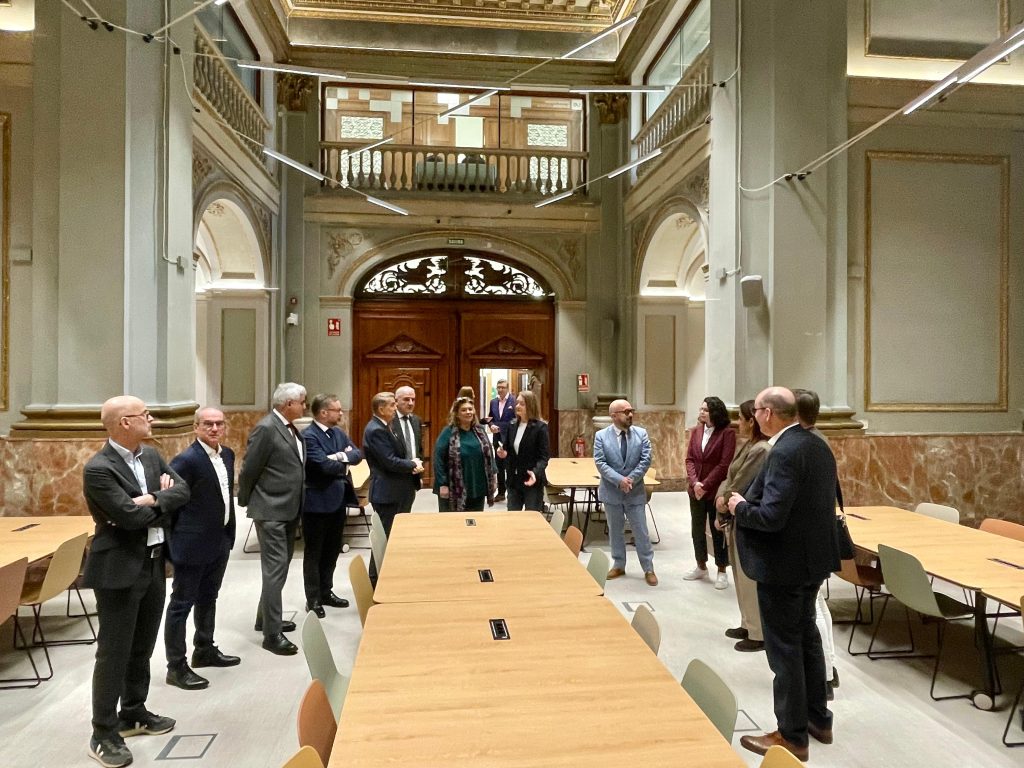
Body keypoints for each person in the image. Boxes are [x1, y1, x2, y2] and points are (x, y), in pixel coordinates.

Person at [726, 386, 840, 761]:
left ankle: (792, 735)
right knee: (806, 639)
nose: (754, 415)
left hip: (783, 566)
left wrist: (740, 506)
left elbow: (771, 518)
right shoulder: (817, 444)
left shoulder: (784, 452)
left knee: (784, 651)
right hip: (811, 563)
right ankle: (818, 719)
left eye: (757, 409)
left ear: (769, 413)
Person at [83, 396, 190, 768]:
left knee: (142, 646)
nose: (152, 419)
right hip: (118, 569)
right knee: (114, 652)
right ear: (123, 423)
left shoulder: (151, 456)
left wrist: (150, 499)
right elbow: (128, 518)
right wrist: (159, 502)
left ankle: (133, 711)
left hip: (154, 563)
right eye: (144, 415)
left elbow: (183, 491)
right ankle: (103, 731)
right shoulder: (99, 469)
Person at [164, 407, 240, 692]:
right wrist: (175, 543)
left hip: (219, 538)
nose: (214, 429)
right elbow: (171, 504)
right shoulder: (185, 461)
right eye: (207, 424)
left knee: (209, 596)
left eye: (219, 424)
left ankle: (205, 648)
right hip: (191, 543)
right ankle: (176, 666)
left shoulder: (228, 455)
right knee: (181, 604)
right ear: (195, 428)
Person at [237, 382, 307, 656]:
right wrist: (246, 500)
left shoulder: (289, 429)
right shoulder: (267, 428)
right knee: (275, 569)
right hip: (271, 510)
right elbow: (249, 468)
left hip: (288, 508)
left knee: (280, 566)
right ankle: (271, 634)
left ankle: (265, 618)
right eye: (302, 401)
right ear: (288, 404)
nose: (304, 405)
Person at [793, 387, 840, 699]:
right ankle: (828, 667)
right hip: (817, 541)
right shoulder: (817, 441)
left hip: (811, 544)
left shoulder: (809, 445)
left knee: (814, 610)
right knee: (817, 607)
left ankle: (825, 672)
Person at [714, 399, 771, 652]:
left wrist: (724, 502)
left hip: (746, 514)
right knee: (738, 572)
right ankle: (747, 623)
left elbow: (742, 481)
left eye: (741, 418)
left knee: (749, 579)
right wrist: (720, 497)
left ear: (752, 420)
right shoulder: (747, 444)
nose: (737, 423)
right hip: (733, 513)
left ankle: (758, 632)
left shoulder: (761, 449)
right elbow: (729, 476)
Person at [302, 394, 362, 618]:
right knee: (315, 552)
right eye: (337, 410)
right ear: (323, 413)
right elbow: (321, 465)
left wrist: (337, 457)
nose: (341, 413)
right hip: (316, 503)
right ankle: (313, 598)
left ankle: (327, 591)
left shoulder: (337, 433)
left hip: (338, 500)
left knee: (332, 549)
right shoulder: (309, 436)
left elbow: (356, 454)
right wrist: (342, 459)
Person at [363, 391, 424, 584]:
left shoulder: (386, 426)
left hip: (400, 489)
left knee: (396, 537)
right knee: (384, 539)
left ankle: (389, 576)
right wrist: (412, 464)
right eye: (392, 405)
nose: (395, 408)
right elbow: (389, 461)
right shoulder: (376, 430)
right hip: (387, 492)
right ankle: (375, 581)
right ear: (381, 409)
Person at [594, 399, 657, 586]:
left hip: (635, 492)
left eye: (631, 411)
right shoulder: (601, 436)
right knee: (615, 531)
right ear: (613, 416)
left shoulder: (641, 434)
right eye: (625, 412)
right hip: (612, 491)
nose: (630, 415)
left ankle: (648, 568)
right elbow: (600, 462)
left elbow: (646, 460)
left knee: (641, 531)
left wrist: (630, 479)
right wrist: (619, 480)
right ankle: (619, 564)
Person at [684, 396, 736, 589]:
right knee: (697, 529)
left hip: (715, 491)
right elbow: (689, 459)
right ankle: (700, 565)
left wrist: (705, 485)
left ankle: (722, 570)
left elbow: (724, 465)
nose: (701, 412)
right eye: (701, 409)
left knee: (717, 529)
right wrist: (695, 482)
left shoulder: (727, 434)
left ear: (715, 412)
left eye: (705, 409)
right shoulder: (696, 431)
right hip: (695, 490)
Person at [434, 396, 498, 511]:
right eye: (464, 410)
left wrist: (494, 477)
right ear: (457, 414)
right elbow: (438, 459)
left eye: (470, 409)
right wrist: (442, 483)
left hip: (477, 485)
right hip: (453, 487)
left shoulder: (480, 431)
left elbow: (489, 456)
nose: (468, 412)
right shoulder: (448, 432)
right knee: (453, 523)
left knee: (475, 521)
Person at [495, 391, 549, 512]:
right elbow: (508, 449)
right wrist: (503, 452)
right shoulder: (512, 425)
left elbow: (544, 457)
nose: (517, 406)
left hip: (531, 479)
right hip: (513, 480)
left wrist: (535, 472)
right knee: (513, 519)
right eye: (517, 403)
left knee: (531, 520)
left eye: (522, 404)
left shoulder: (540, 428)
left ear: (530, 406)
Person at [390, 385, 423, 514]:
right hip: (394, 477)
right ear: (396, 401)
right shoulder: (389, 422)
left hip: (412, 476)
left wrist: (418, 470)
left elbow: (418, 447)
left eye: (413, 399)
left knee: (405, 513)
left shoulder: (416, 420)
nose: (410, 403)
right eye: (406, 399)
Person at [486, 379, 516, 502]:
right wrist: (491, 425)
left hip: (510, 438)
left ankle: (511, 492)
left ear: (507, 388)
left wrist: (502, 427)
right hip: (497, 438)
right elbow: (490, 418)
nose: (500, 389)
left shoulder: (514, 401)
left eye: (503, 387)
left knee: (509, 465)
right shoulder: (493, 402)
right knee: (499, 466)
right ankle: (501, 492)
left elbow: (516, 420)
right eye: (498, 387)